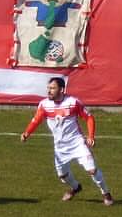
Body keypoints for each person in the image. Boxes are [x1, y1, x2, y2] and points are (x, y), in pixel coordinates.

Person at [20, 76, 112, 205]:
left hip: (77, 143)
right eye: (48, 88)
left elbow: (89, 118)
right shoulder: (44, 105)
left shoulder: (73, 102)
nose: (49, 91)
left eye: (52, 88)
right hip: (60, 148)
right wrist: (27, 133)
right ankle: (76, 188)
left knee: (92, 170)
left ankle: (106, 193)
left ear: (62, 89)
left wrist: (91, 136)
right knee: (62, 176)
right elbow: (36, 120)